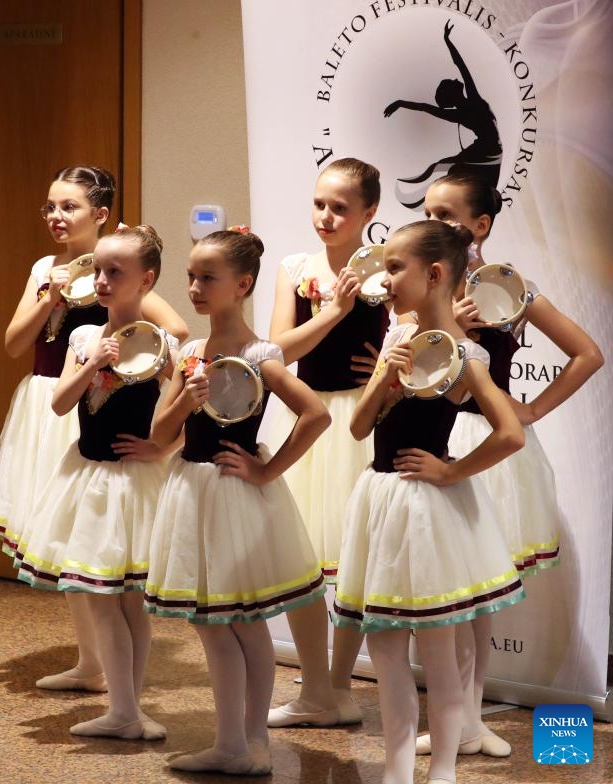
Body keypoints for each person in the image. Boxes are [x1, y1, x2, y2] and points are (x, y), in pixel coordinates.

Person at [412, 173, 604, 758]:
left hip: (482, 443)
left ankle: (469, 717)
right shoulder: (425, 282)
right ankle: (457, 718)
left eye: (447, 214)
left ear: (480, 225)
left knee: (476, 587)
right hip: (432, 436)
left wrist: (531, 409)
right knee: (449, 587)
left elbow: (587, 352)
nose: (436, 223)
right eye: (428, 212)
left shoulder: (506, 286)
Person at [0, 166, 186, 692]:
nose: (55, 217)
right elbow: (14, 344)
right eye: (50, 206)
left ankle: (107, 666)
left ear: (100, 215)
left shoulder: (113, 272)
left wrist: (125, 364)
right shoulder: (45, 267)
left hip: (92, 406)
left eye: (68, 207)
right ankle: (91, 661)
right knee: (67, 536)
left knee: (91, 533)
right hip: (45, 399)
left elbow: (176, 329)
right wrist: (51, 295)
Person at [333, 220, 526, 784]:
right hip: (382, 500)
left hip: (427, 511)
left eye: (395, 268)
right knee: (386, 648)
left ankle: (443, 770)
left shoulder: (464, 355)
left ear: (435, 274)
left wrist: (452, 471)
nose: (385, 278)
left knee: (439, 657)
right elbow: (359, 427)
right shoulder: (397, 340)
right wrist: (380, 381)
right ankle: (397, 769)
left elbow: (509, 431)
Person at [145, 228, 330, 775]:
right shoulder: (191, 353)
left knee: (237, 622)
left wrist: (267, 469)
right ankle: (243, 745)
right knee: (218, 622)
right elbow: (160, 435)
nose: (195, 288)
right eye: (191, 277)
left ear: (242, 285)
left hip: (233, 494)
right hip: (192, 489)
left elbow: (315, 415)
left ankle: (245, 743)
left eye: (208, 278)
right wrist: (186, 398)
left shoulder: (261, 354)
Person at [14, 225, 175, 741]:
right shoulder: (84, 337)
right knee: (101, 596)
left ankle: (130, 708)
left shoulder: (162, 344)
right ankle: (122, 709)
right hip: (88, 477)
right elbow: (60, 402)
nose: (102, 281)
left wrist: (161, 448)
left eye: (115, 272)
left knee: (131, 601)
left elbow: (192, 407)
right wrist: (92, 365)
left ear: (145, 280)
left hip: (135, 482)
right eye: (99, 270)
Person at [266, 158, 388, 728]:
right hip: (310, 420)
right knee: (302, 557)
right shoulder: (294, 268)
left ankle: (336, 684)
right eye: (319, 203)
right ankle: (318, 683)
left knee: (354, 557)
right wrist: (332, 313)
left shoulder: (387, 272)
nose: (326, 215)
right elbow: (276, 353)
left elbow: (422, 334)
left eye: (340, 207)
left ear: (370, 213)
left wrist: (384, 367)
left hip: (360, 421)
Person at [383, 20, 503, 209]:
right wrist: (447, 40)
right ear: (453, 95)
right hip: (487, 150)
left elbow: (459, 67)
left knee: (451, 168)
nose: (456, 79)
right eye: (451, 82)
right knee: (451, 169)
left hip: (488, 150)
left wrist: (447, 40)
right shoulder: (469, 102)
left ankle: (441, 199)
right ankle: (440, 201)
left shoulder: (463, 109)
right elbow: (460, 67)